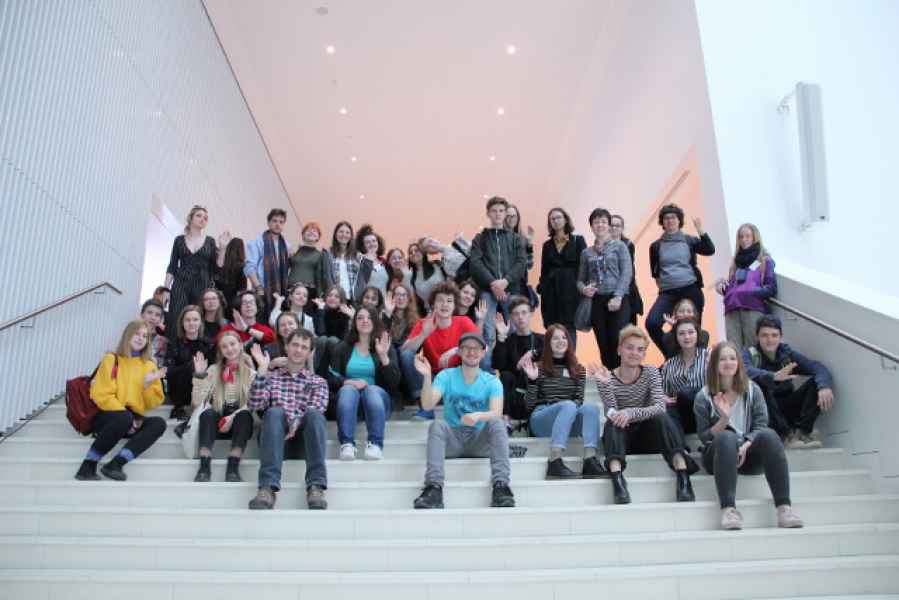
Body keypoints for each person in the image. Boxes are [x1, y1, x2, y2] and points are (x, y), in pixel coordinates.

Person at [694, 341, 803, 530]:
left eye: (732, 358)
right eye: (722, 359)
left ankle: (784, 508)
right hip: (718, 456)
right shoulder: (703, 396)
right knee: (726, 437)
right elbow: (704, 437)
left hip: (748, 454)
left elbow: (761, 423)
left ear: (739, 363)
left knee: (769, 435)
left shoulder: (753, 390)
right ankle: (728, 510)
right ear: (714, 364)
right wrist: (724, 419)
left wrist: (746, 444)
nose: (728, 363)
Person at [412, 332, 515, 509]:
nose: (471, 352)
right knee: (437, 425)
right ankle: (433, 488)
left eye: (476, 348)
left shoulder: (492, 381)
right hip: (453, 439)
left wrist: (478, 416)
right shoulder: (446, 376)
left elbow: (496, 413)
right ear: (459, 351)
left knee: (497, 423)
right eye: (466, 348)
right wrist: (427, 376)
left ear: (483, 352)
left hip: (479, 439)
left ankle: (501, 487)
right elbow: (427, 405)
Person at [596, 325, 697, 504]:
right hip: (623, 439)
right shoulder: (608, 377)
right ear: (619, 350)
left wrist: (630, 413)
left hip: (648, 436)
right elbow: (610, 411)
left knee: (662, 416)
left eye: (640, 349)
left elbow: (659, 406)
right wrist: (604, 385)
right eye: (629, 347)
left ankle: (683, 477)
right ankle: (618, 481)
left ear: (644, 354)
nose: (634, 353)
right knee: (612, 423)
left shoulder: (651, 372)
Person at [74, 320, 167, 481]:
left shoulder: (149, 365)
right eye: (137, 334)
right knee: (124, 418)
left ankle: (116, 464)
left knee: (159, 423)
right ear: (127, 336)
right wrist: (127, 416)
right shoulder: (111, 359)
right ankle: (87, 466)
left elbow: (152, 403)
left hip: (131, 419)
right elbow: (102, 395)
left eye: (144, 336)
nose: (140, 338)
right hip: (107, 416)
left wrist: (147, 385)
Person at [246, 330, 329, 510]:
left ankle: (316, 487)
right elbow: (255, 404)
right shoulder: (271, 378)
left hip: (304, 444)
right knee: (274, 412)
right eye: (295, 345)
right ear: (286, 347)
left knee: (314, 415)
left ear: (310, 353)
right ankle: (267, 488)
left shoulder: (318, 382)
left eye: (304, 347)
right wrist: (262, 371)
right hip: (275, 441)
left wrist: (295, 421)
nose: (298, 350)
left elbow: (317, 407)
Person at [522, 325, 605, 480]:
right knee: (568, 405)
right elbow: (529, 406)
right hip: (542, 419)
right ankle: (554, 460)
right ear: (548, 343)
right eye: (555, 338)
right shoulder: (538, 368)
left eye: (564, 337)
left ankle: (590, 460)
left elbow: (579, 400)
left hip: (568, 418)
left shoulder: (578, 369)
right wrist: (532, 381)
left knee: (591, 408)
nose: (560, 341)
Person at [743, 315, 834, 449]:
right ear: (757, 337)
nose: (770, 340)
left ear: (780, 336)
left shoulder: (786, 354)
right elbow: (745, 371)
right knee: (760, 385)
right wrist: (772, 377)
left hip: (787, 408)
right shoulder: (750, 354)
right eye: (765, 335)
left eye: (774, 335)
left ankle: (802, 433)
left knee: (817, 382)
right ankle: (785, 437)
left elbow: (817, 367)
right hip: (766, 415)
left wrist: (824, 387)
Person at [328, 307, 400, 461]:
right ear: (354, 322)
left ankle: (375, 444)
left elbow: (394, 383)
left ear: (375, 321)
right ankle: (347, 444)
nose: (365, 321)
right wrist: (348, 382)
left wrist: (383, 356)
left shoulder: (385, 345)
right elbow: (330, 378)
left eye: (369, 317)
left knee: (371, 390)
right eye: (360, 317)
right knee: (348, 389)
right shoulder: (342, 347)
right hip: (349, 403)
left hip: (377, 403)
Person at [400, 281, 480, 420]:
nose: (445, 305)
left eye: (449, 301)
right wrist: (423, 334)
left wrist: (456, 350)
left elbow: (482, 345)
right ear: (433, 304)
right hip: (431, 379)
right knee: (407, 355)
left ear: (454, 305)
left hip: (456, 376)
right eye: (440, 300)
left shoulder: (463, 321)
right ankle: (425, 407)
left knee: (480, 358)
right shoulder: (424, 323)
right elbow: (404, 350)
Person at [646, 203, 715, 353]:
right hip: (668, 292)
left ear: (679, 220)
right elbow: (656, 274)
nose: (670, 220)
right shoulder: (656, 246)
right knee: (652, 323)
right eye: (666, 218)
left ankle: (697, 359)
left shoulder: (689, 240)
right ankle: (672, 356)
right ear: (662, 222)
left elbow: (710, 250)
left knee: (693, 329)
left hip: (690, 289)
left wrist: (700, 230)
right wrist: (667, 285)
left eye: (673, 217)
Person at [190, 330, 255, 482]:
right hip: (216, 421)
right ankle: (204, 465)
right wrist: (199, 376)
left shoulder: (250, 373)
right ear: (220, 351)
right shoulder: (213, 370)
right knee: (207, 413)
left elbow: (252, 404)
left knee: (245, 415)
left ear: (240, 345)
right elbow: (197, 403)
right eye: (224, 346)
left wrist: (231, 417)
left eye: (232, 344)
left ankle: (233, 467)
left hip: (239, 422)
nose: (229, 349)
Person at [468, 196, 528, 362]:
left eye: (501, 211)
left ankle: (515, 369)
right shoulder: (480, 238)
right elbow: (475, 264)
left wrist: (505, 281)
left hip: (511, 290)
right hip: (487, 291)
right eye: (494, 211)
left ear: (505, 213)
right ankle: (487, 368)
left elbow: (521, 263)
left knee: (514, 331)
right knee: (488, 333)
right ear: (488, 213)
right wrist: (493, 283)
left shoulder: (515, 239)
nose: (498, 214)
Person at [576, 208, 633, 369]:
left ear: (608, 225)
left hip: (617, 299)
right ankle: (609, 378)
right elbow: (579, 280)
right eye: (596, 222)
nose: (600, 225)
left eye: (603, 221)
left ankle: (622, 378)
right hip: (596, 301)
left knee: (617, 341)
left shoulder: (620, 246)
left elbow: (627, 272)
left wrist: (618, 296)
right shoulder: (586, 252)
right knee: (603, 343)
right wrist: (584, 289)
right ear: (591, 226)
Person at [165, 205, 226, 337]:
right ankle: (173, 347)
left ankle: (195, 349)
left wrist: (222, 248)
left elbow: (217, 268)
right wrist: (166, 289)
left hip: (202, 284)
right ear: (190, 218)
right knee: (176, 317)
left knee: (197, 320)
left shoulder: (210, 241)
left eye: (205, 218)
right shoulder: (179, 240)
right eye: (199, 215)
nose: (202, 219)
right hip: (181, 283)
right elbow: (172, 266)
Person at [715, 223, 777, 348]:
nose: (744, 240)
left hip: (752, 308)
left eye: (747, 236)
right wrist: (723, 289)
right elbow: (734, 287)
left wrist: (750, 292)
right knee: (733, 349)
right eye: (741, 237)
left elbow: (771, 288)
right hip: (732, 309)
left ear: (755, 237)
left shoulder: (764, 260)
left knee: (753, 348)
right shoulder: (735, 263)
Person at [492, 296, 544, 427]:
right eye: (516, 314)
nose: (520, 317)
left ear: (531, 314)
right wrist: (501, 337)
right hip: (515, 394)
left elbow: (553, 355)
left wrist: (533, 353)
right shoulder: (508, 341)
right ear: (510, 317)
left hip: (535, 390)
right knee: (505, 375)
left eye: (524, 312)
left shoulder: (541, 340)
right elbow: (498, 365)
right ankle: (505, 419)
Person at [537, 207, 586, 346]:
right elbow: (544, 270)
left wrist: (582, 287)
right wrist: (543, 288)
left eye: (558, 217)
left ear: (565, 220)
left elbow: (585, 266)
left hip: (571, 292)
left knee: (569, 329)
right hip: (551, 292)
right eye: (552, 219)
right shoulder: (547, 245)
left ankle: (570, 359)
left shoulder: (578, 240)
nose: (555, 221)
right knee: (552, 329)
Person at [660, 318, 709, 436]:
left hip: (705, 411)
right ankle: (679, 444)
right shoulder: (669, 365)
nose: (686, 337)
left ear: (697, 334)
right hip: (681, 414)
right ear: (676, 337)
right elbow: (665, 393)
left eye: (691, 332)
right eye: (681, 333)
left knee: (685, 393)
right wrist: (663, 398)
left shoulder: (709, 356)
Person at [164, 305, 213, 420]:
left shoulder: (209, 344)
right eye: (188, 320)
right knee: (187, 369)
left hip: (203, 387)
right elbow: (169, 371)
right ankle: (181, 408)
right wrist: (190, 367)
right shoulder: (174, 343)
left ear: (200, 322)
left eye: (195, 319)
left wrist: (199, 372)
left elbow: (213, 369)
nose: (191, 323)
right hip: (180, 388)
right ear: (182, 323)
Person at [244, 209, 291, 322]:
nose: (277, 224)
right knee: (261, 322)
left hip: (281, 293)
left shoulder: (287, 245)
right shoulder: (257, 242)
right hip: (263, 290)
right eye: (274, 221)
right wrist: (258, 287)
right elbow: (249, 267)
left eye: (281, 222)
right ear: (268, 223)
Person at [610, 214, 644, 326]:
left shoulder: (628, 244)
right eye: (611, 225)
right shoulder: (601, 244)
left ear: (622, 228)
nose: (614, 228)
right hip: (609, 290)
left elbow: (628, 270)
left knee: (629, 326)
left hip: (627, 289)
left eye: (617, 225)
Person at [504, 203, 535, 306]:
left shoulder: (523, 239)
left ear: (518, 218)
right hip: (505, 287)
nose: (511, 219)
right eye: (508, 216)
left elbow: (529, 265)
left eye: (514, 216)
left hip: (520, 287)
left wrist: (529, 244)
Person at [322, 221, 359, 300]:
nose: (344, 235)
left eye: (347, 232)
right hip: (334, 298)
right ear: (335, 234)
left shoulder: (356, 255)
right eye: (341, 232)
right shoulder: (328, 254)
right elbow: (326, 277)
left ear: (351, 236)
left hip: (353, 298)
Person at [288, 221, 326, 298]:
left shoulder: (320, 255)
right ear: (303, 235)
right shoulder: (294, 252)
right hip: (291, 290)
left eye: (315, 231)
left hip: (309, 292)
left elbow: (319, 278)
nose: (311, 232)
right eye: (308, 230)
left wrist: (320, 296)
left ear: (318, 237)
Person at [408, 239, 447, 312]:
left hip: (446, 307)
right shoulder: (413, 278)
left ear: (423, 252)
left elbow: (447, 253)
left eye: (416, 250)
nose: (413, 253)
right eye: (410, 252)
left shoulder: (436, 264)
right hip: (430, 311)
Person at [353, 225, 390, 301]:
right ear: (363, 246)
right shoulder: (360, 262)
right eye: (367, 242)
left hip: (384, 303)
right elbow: (358, 288)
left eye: (374, 241)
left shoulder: (384, 262)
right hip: (368, 303)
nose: (372, 244)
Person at [214, 237, 247, 314]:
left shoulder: (220, 263)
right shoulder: (241, 266)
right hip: (233, 302)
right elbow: (242, 290)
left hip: (219, 300)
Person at [140, 299, 168, 368]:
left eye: (157, 315)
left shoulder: (163, 342)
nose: (153, 317)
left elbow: (162, 365)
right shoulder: (132, 334)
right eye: (149, 312)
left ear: (161, 319)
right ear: (142, 315)